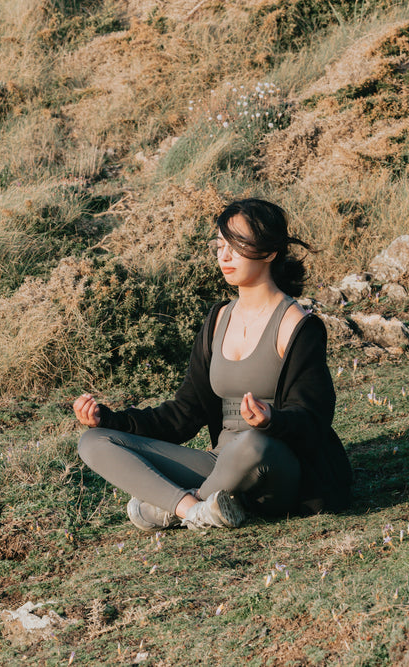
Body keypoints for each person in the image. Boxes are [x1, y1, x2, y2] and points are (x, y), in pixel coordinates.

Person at [73, 198, 352, 531]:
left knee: (251, 443)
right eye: (220, 246)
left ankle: (170, 509)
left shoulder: (297, 325)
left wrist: (270, 420)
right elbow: (182, 414)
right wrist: (108, 418)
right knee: (93, 442)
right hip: (219, 463)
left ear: (269, 252)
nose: (224, 256)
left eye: (236, 246)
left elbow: (314, 418)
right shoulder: (219, 318)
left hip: (275, 466)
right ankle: (194, 509)